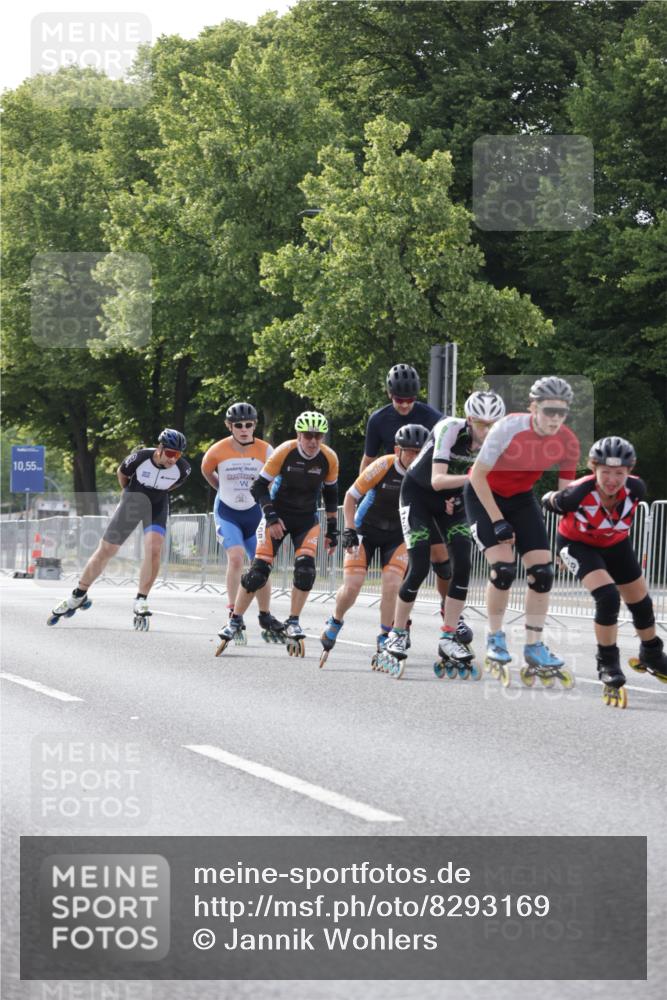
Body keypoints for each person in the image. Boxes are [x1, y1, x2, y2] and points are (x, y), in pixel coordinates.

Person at [381, 391, 506, 677]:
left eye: (493, 424)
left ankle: (449, 634)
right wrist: (475, 480)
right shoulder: (449, 429)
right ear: (470, 419)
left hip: (454, 500)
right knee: (420, 565)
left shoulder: (497, 443)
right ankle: (397, 633)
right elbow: (437, 480)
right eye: (481, 423)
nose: (487, 431)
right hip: (418, 495)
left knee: (462, 562)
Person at [464, 377, 580, 685]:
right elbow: (477, 477)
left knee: (542, 573)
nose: (555, 418)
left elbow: (565, 498)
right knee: (503, 569)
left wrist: (569, 542)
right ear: (533, 408)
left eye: (561, 412)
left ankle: (534, 646)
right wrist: (497, 520)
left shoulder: (568, 441)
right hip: (483, 494)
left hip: (521, 498)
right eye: (549, 410)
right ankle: (495, 637)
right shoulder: (508, 428)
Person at [542, 436, 667, 705]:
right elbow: (547, 500)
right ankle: (608, 663)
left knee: (642, 603)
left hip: (616, 544)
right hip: (578, 545)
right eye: (605, 472)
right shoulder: (577, 494)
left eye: (619, 473)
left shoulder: (637, 489)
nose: (612, 479)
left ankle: (652, 654)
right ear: (593, 469)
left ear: (629, 472)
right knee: (608, 597)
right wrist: (553, 499)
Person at [216, 411, 339, 656]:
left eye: (318, 436)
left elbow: (331, 494)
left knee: (305, 571)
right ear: (298, 435)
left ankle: (293, 621)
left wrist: (333, 530)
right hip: (277, 516)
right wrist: (271, 516)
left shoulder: (329, 457)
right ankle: (235, 620)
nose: (313, 441)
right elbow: (258, 486)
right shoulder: (285, 451)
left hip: (306, 520)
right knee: (258, 573)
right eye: (308, 435)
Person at [47, 429, 191, 629]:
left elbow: (173, 486)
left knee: (154, 548)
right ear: (159, 448)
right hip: (132, 502)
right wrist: (128, 496)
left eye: (178, 455)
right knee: (107, 550)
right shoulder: (140, 457)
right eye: (170, 453)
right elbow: (122, 475)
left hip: (156, 505)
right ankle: (79, 594)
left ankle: (141, 599)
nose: (173, 459)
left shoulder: (183, 469)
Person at [319, 424, 430, 666]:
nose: (414, 457)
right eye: (409, 451)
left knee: (392, 585)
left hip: (398, 535)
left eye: (419, 452)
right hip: (365, 530)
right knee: (353, 586)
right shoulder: (383, 465)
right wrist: (349, 529)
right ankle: (336, 619)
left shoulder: (425, 471)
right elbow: (350, 496)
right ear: (397, 449)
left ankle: (384, 636)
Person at [201, 402, 273, 640]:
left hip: (254, 513)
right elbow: (206, 471)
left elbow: (272, 479)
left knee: (261, 566)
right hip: (228, 512)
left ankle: (265, 615)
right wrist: (222, 488)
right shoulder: (217, 450)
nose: (244, 429)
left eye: (249, 425)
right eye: (238, 425)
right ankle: (233, 612)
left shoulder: (266, 450)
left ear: (255, 425)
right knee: (236, 557)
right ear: (229, 426)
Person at [360, 364, 441, 472]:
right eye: (399, 400)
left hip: (423, 475)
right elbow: (368, 461)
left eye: (410, 400)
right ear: (390, 394)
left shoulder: (434, 418)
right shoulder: (378, 420)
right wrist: (362, 488)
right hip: (393, 476)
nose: (404, 405)